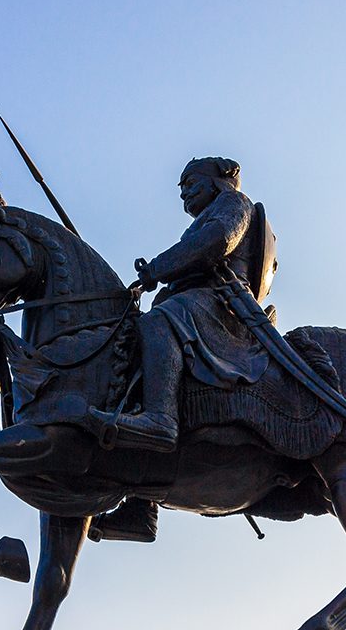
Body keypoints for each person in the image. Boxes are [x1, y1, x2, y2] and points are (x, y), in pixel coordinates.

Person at [91, 156, 269, 452]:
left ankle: (161, 418)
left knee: (158, 321)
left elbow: (215, 241)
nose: (184, 193)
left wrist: (157, 269)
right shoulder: (206, 215)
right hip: (194, 298)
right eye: (181, 187)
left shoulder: (234, 202)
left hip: (219, 301)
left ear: (216, 182)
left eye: (191, 183)